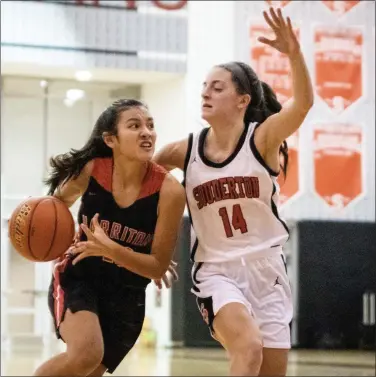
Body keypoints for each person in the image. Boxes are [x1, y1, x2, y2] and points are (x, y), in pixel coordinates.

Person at [154, 7, 313, 377]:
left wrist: (294, 54)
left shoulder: (262, 140)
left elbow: (302, 105)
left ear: (242, 100)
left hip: (268, 271)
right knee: (248, 347)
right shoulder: (182, 151)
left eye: (217, 86)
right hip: (216, 271)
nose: (205, 92)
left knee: (265, 368)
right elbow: (145, 193)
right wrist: (152, 249)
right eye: (204, 87)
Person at [34, 99, 186, 377]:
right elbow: (54, 207)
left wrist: (113, 249)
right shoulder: (92, 171)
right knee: (86, 354)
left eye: (150, 126)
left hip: (127, 296)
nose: (147, 132)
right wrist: (55, 240)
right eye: (134, 125)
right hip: (80, 278)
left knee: (88, 368)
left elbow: (157, 266)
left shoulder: (170, 190)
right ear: (110, 139)